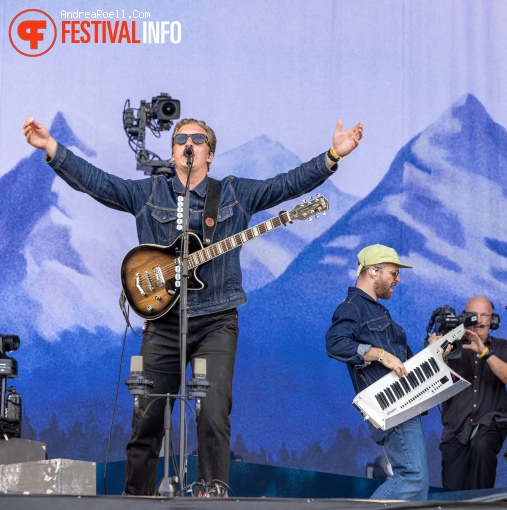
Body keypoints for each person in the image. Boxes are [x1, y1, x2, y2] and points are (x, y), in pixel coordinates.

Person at [23, 115, 363, 495]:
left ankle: (211, 492)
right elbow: (100, 184)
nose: (188, 143)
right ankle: (136, 498)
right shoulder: (149, 194)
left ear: (210, 153)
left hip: (217, 318)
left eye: (197, 139)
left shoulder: (233, 194)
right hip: (164, 321)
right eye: (180, 138)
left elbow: (284, 185)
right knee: (146, 420)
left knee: (213, 413)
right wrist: (53, 150)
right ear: (172, 153)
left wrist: (333, 155)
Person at [325, 244, 429, 500]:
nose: (398, 279)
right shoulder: (352, 306)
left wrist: (435, 351)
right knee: (412, 477)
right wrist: (380, 355)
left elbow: (404, 362)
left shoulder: (377, 310)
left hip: (404, 400)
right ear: (373, 271)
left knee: (418, 487)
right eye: (393, 273)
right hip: (391, 404)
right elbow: (336, 343)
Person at [433, 296, 507, 490]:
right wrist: (436, 353)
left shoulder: (501, 346)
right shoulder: (452, 345)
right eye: (473, 315)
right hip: (456, 428)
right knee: (453, 494)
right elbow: (434, 385)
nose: (479, 320)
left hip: (492, 421)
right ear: (464, 317)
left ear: (493, 320)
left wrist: (484, 352)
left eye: (484, 315)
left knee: (481, 446)